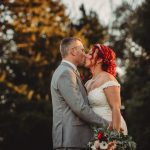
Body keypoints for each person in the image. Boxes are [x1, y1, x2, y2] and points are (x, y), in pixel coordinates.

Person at [50, 37, 110, 150]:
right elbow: (79, 108)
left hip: (74, 140)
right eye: (82, 50)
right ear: (73, 51)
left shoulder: (68, 72)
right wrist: (106, 124)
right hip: (70, 140)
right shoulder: (66, 73)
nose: (84, 54)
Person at [85, 44, 128, 135]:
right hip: (96, 130)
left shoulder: (108, 78)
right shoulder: (87, 83)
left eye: (90, 53)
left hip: (112, 128)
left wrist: (114, 137)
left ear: (100, 60)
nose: (86, 55)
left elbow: (116, 108)